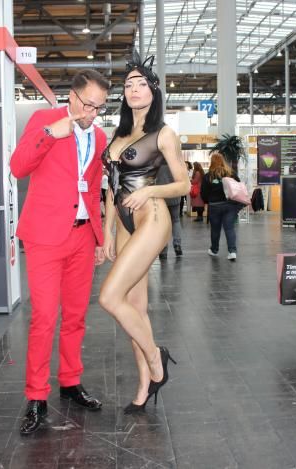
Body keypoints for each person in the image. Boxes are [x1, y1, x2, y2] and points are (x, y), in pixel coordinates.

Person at [9, 69, 110, 435]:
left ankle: (70, 381)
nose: (92, 113)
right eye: (88, 105)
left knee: (76, 316)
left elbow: (94, 188)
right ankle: (36, 397)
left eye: (99, 107)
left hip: (82, 237)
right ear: (72, 96)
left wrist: (99, 237)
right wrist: (52, 134)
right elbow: (18, 167)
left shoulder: (99, 137)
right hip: (45, 237)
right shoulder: (44, 120)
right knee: (44, 318)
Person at [99, 52, 189, 413]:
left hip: (151, 216)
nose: (134, 89)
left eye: (141, 84)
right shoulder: (119, 134)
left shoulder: (164, 133)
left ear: (153, 91)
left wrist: (150, 190)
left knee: (109, 297)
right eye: (128, 85)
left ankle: (156, 358)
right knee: (133, 308)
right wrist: (106, 231)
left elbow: (183, 184)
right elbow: (111, 188)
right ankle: (144, 385)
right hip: (122, 220)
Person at [200, 152, 241, 261]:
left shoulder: (208, 176)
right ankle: (232, 251)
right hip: (230, 205)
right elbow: (239, 186)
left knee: (215, 229)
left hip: (214, 206)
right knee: (229, 228)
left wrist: (207, 201)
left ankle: (214, 250)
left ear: (212, 162)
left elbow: (203, 193)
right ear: (223, 161)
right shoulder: (231, 174)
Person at [156, 163, 183, 259]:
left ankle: (163, 250)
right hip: (175, 195)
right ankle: (177, 245)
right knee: (176, 220)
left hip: (161, 197)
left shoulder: (157, 164)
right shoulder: (175, 164)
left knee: (163, 223)